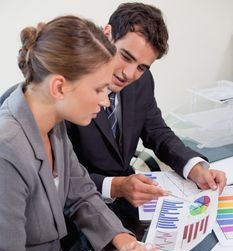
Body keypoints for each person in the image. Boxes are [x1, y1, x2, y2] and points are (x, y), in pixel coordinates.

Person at [0, 15, 195, 251]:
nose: (107, 100)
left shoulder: (53, 122)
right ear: (60, 86)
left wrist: (127, 244)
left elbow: (82, 193)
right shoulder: (7, 152)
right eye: (98, 90)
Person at [66, 2, 227, 234]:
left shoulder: (142, 81)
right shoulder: (70, 91)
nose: (129, 74)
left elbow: (157, 131)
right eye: (125, 56)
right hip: (78, 209)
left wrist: (194, 167)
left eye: (142, 67)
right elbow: (58, 175)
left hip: (128, 201)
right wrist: (116, 186)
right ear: (106, 34)